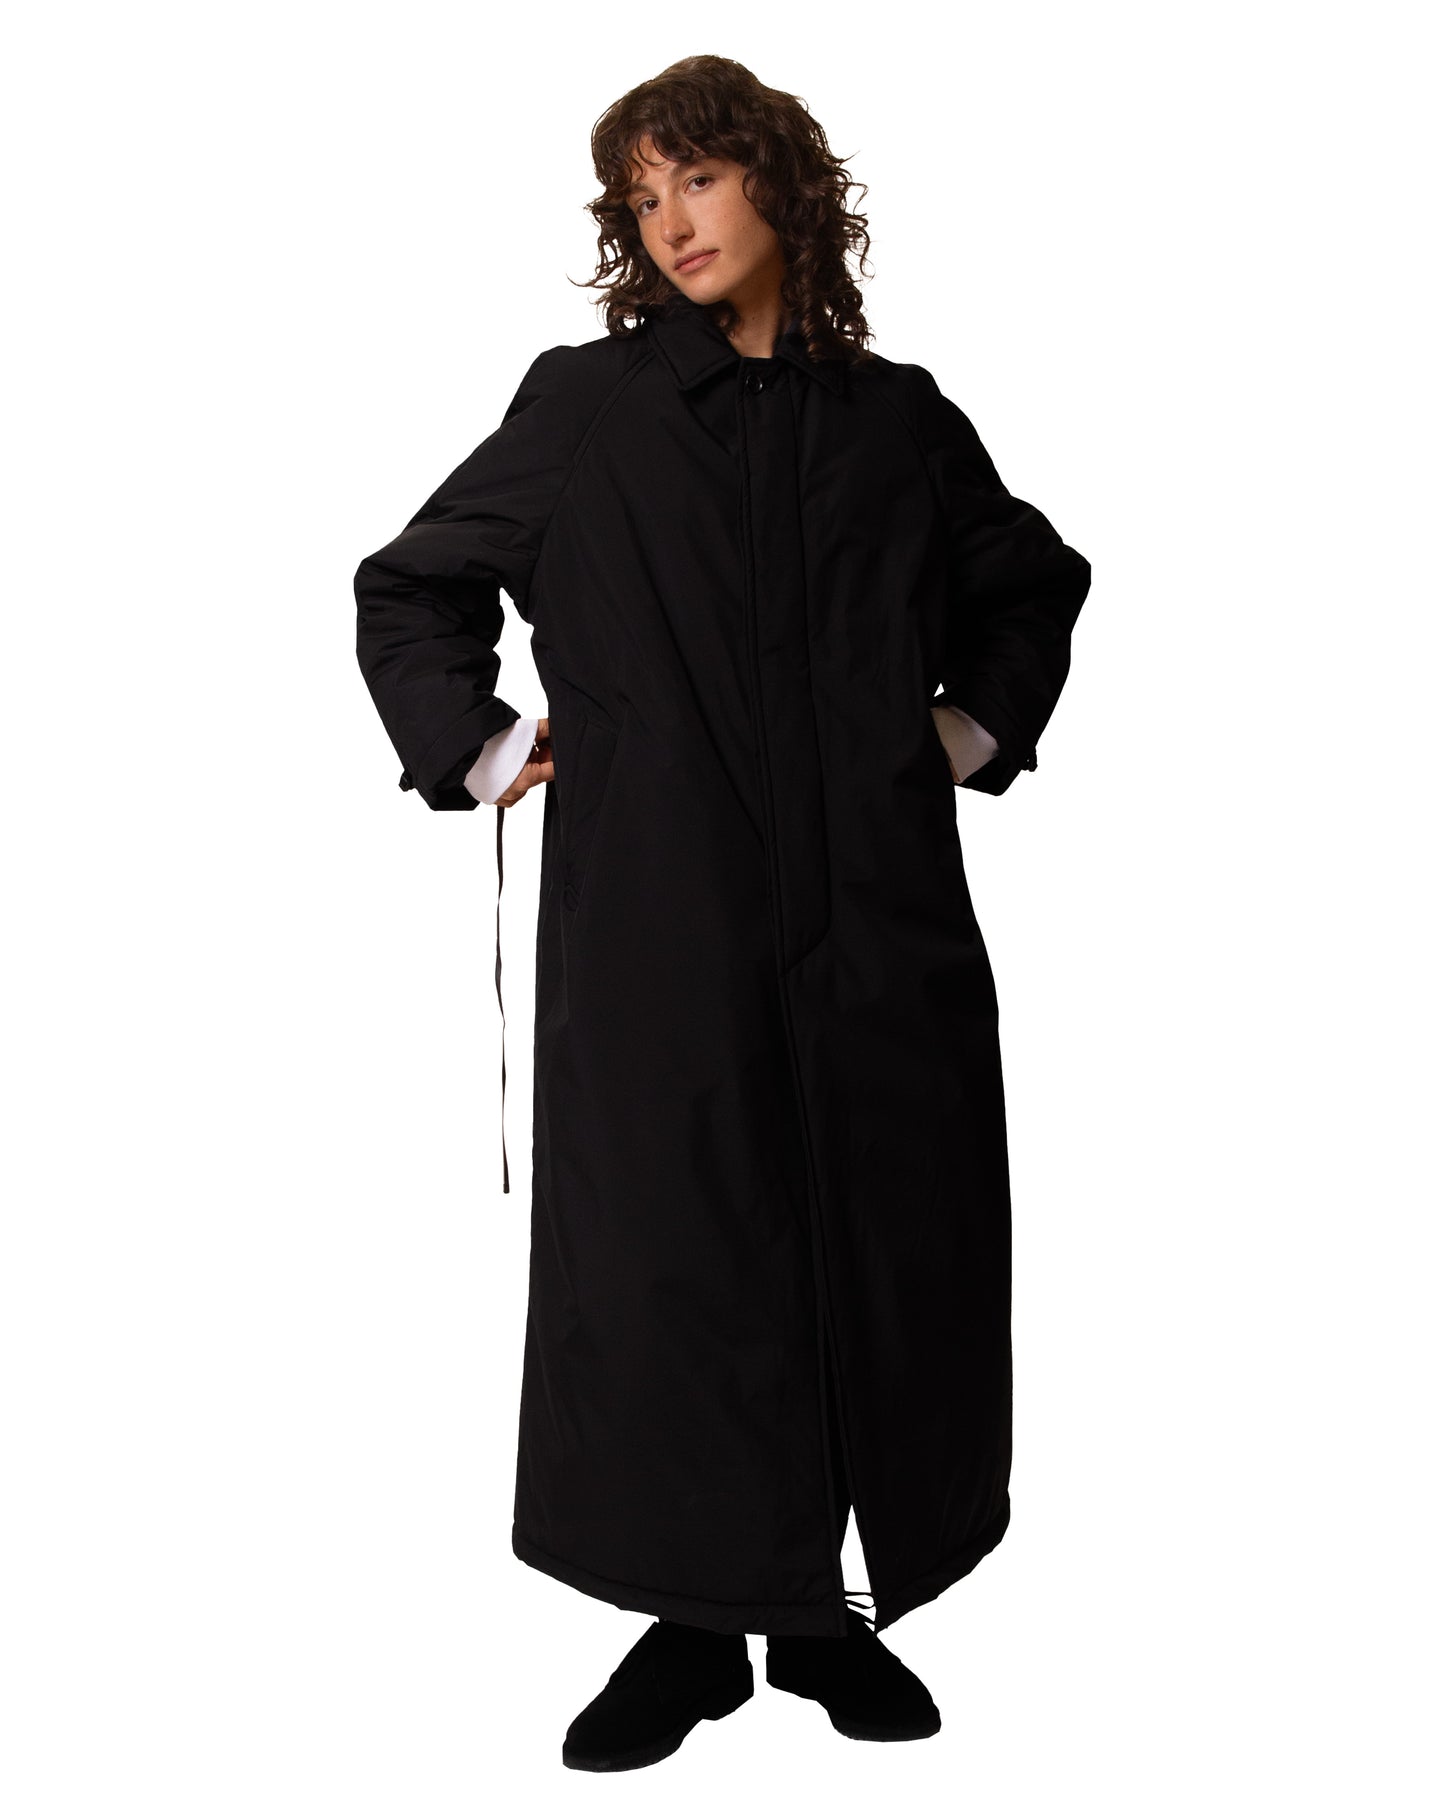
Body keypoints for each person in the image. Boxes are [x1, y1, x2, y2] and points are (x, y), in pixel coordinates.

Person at [354, 53, 1091, 1773]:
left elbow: (1029, 581)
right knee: (679, 1259)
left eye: (695, 177)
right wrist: (479, 746)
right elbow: (412, 583)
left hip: (878, 929)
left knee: (875, 1245)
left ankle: (824, 1616)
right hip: (658, 926)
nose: (669, 221)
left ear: (778, 181)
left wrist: (963, 730)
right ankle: (690, 1629)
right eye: (641, 196)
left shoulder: (894, 421)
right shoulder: (589, 410)